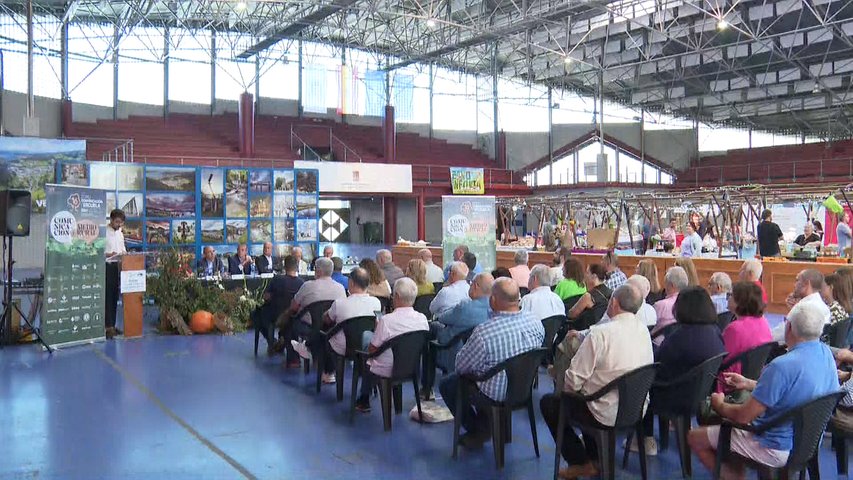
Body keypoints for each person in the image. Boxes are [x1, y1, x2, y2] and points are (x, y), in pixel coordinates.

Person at [687, 302, 839, 480]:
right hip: (807, 442)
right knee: (729, 432)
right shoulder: (826, 355)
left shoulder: (781, 366)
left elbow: (743, 416)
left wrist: (719, 404)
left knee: (695, 437)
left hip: (773, 446)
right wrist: (750, 384)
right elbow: (796, 388)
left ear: (788, 327)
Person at [541, 284, 654, 479]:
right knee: (588, 393)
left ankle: (581, 462)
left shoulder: (600, 334)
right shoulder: (643, 330)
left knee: (552, 403)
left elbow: (573, 381)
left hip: (604, 412)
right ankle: (595, 458)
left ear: (614, 303)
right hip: (636, 408)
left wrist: (559, 377)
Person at [439, 278, 545, 447]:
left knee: (448, 384)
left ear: (493, 300)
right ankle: (488, 425)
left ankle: (478, 430)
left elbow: (460, 366)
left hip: (495, 394)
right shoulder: (535, 322)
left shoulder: (484, 332)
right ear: (518, 298)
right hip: (523, 389)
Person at [634, 287, 726, 454]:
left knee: (641, 384)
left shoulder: (680, 336)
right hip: (699, 393)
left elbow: (658, 362)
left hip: (674, 395)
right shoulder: (715, 331)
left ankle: (645, 438)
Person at [354, 278, 429, 413]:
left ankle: (364, 397)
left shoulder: (387, 320)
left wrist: (378, 330)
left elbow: (372, 349)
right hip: (412, 366)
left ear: (397, 297)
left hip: (387, 368)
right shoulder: (423, 319)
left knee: (366, 343)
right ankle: (368, 397)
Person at [427, 272, 495, 393]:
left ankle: (426, 386)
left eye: (471, 283)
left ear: (475, 286)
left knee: (433, 326)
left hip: (455, 350)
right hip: (482, 356)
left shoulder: (465, 306)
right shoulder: (494, 307)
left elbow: (443, 318)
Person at [286, 257, 347, 383]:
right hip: (333, 328)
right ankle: (325, 367)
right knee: (321, 330)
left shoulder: (307, 286)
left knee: (292, 321)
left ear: (318, 271)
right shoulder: (340, 288)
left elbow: (294, 307)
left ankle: (295, 358)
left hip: (311, 326)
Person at [717, 281, 773, 394]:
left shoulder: (734, 329)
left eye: (731, 295)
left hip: (729, 382)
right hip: (751, 379)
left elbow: (719, 360)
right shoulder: (764, 322)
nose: (728, 297)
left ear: (740, 302)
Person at [254, 255, 304, 359]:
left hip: (276, 315)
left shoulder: (277, 279)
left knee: (257, 315)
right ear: (297, 266)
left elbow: (266, 297)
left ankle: (272, 342)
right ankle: (281, 339)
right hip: (295, 316)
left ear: (284, 266)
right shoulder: (302, 283)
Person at [324, 267, 380, 358]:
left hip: (342, 348)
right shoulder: (376, 302)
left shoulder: (339, 303)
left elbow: (327, 320)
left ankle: (328, 370)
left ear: (351, 283)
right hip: (366, 346)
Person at [774, 269, 832, 343]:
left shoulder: (801, 308)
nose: (794, 285)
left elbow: (781, 335)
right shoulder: (824, 306)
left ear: (806, 284)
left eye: (797, 280)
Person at [566, 264, 612, 331]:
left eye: (587, 273)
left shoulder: (589, 296)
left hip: (585, 331)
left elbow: (572, 314)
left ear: (594, 276)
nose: (585, 276)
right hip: (603, 329)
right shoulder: (611, 292)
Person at [651, 266, 689, 345]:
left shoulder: (661, 305)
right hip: (684, 344)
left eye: (666, 283)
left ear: (672, 285)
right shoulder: (691, 303)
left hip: (660, 346)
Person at [104, 209, 127, 339]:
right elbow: (99, 250)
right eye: (117, 222)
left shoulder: (120, 233)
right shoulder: (104, 233)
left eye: (121, 222)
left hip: (118, 267)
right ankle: (107, 327)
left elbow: (122, 248)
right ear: (111, 220)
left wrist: (124, 254)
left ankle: (113, 325)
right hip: (107, 266)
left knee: (114, 297)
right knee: (108, 297)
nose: (119, 225)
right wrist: (109, 254)